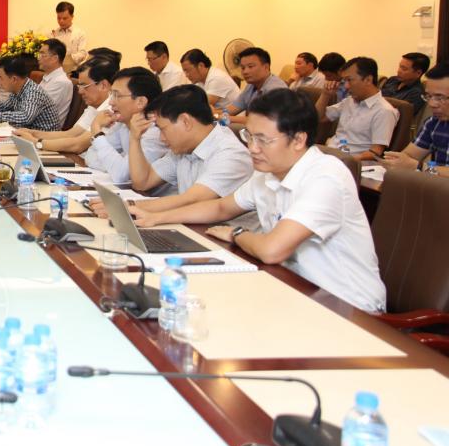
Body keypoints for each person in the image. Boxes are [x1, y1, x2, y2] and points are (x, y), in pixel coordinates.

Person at [134, 89, 386, 313]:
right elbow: (221, 207)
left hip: (348, 305)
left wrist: (237, 234)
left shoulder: (326, 177)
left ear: (298, 140)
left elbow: (272, 250)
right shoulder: (268, 173)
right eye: (250, 136)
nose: (252, 148)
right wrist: (156, 218)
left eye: (263, 140)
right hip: (293, 289)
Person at [127, 84, 253, 213]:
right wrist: (134, 138)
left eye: (163, 129)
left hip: (222, 226)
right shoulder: (184, 148)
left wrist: (129, 206)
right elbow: (143, 182)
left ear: (185, 122)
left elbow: (190, 201)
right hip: (191, 222)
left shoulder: (230, 154)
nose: (161, 138)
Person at [83, 66, 167, 186]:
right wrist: (115, 163)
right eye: (111, 95)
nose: (111, 102)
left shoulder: (155, 132)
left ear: (141, 102)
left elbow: (120, 174)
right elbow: (90, 156)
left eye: (117, 96)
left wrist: (96, 131)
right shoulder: (123, 124)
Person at [13, 55, 115, 154]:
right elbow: (71, 134)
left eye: (84, 86)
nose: (80, 91)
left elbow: (77, 145)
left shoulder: (111, 110)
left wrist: (36, 142)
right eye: (79, 86)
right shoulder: (94, 105)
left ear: (103, 85)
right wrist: (33, 133)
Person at [317, 56, 399, 161]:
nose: (346, 86)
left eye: (349, 80)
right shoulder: (349, 101)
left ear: (368, 80)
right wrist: (325, 95)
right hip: (330, 153)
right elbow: (318, 117)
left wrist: (344, 160)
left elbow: (375, 152)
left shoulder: (384, 111)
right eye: (344, 81)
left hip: (352, 161)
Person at [381, 61, 449, 175]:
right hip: (435, 185)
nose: (432, 104)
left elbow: (414, 165)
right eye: (429, 96)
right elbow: (408, 156)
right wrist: (397, 160)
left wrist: (419, 167)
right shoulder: (434, 123)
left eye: (440, 97)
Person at [0, 55, 61, 131]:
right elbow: (4, 106)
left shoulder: (33, 92)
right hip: (27, 134)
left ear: (14, 79)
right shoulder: (17, 89)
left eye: (1, 78)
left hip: (44, 140)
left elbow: (25, 117)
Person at [225, 47, 287, 125]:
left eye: (250, 66)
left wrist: (226, 118)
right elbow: (232, 109)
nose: (245, 72)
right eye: (243, 68)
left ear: (266, 67)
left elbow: (262, 121)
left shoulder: (276, 90)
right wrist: (215, 114)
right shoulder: (251, 85)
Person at [37, 38, 74, 117]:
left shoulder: (61, 82)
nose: (38, 58)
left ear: (55, 58)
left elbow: (37, 109)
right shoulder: (48, 77)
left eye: (42, 54)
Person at [49, 1, 87, 72]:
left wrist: (68, 58)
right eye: (59, 18)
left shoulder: (79, 33)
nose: (61, 21)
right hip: (55, 72)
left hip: (73, 72)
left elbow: (83, 53)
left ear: (72, 17)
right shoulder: (53, 34)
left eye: (65, 18)